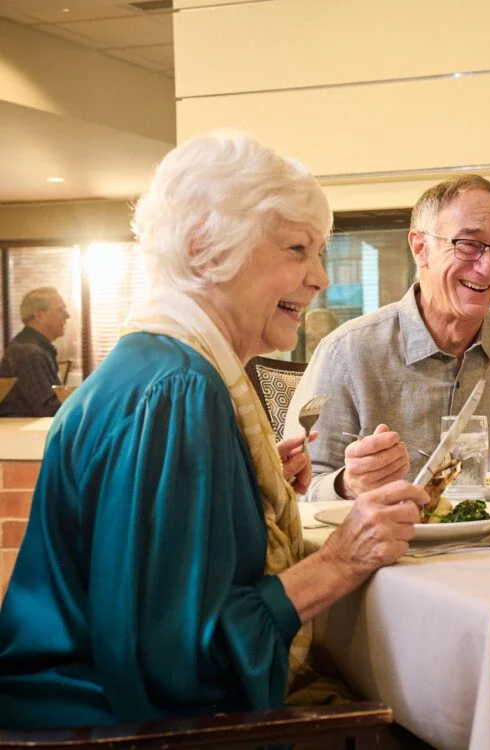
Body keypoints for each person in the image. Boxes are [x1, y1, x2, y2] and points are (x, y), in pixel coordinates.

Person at [0, 130, 428, 728]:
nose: (320, 279)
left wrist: (244, 491)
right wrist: (336, 562)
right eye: (297, 249)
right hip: (112, 731)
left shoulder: (151, 366)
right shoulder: (181, 391)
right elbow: (181, 662)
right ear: (205, 248)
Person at [287, 174, 490, 501]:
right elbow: (293, 490)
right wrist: (348, 484)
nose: (489, 268)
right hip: (392, 550)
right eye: (468, 245)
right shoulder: (346, 352)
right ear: (421, 248)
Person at [0, 287, 70, 417]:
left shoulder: (35, 348)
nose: (67, 315)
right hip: (22, 435)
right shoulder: (29, 353)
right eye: (60, 310)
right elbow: (47, 408)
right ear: (39, 316)